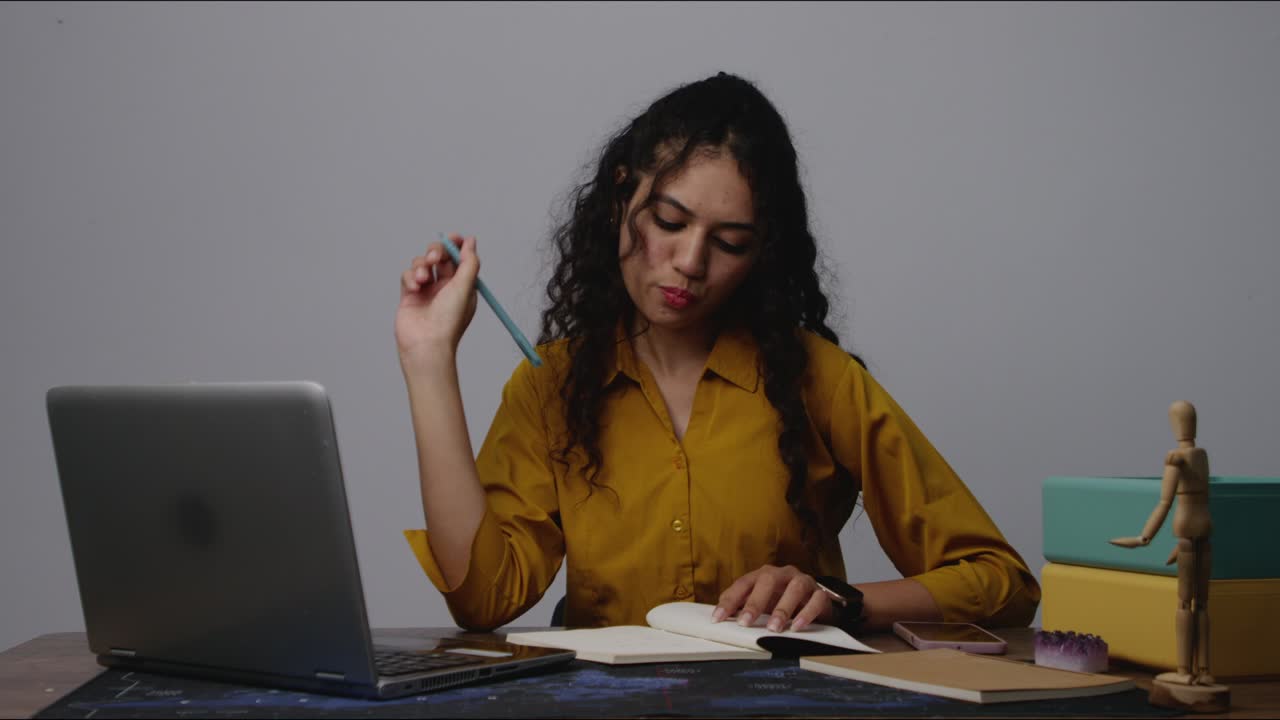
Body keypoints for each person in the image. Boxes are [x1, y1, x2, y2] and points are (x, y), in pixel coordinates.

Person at [394, 72, 1039, 633]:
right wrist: (429, 359)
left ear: (762, 254)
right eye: (669, 223)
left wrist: (841, 601)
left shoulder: (816, 378)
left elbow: (1001, 581)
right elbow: (482, 600)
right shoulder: (552, 386)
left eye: (730, 242)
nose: (690, 263)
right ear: (622, 197)